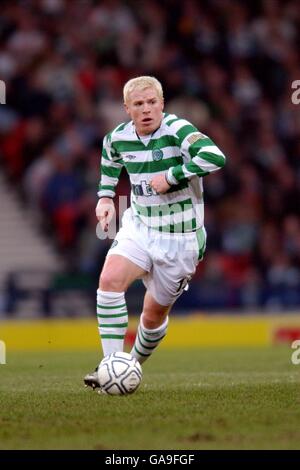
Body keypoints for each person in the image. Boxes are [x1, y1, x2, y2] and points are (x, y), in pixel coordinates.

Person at [84, 76, 226, 389]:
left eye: (152, 103)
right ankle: (109, 365)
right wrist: (106, 199)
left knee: (152, 316)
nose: (146, 109)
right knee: (109, 281)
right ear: (127, 109)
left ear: (162, 104)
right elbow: (110, 159)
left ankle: (130, 364)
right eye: (138, 104)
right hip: (140, 225)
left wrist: (174, 175)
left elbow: (215, 157)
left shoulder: (178, 130)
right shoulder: (118, 137)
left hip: (181, 239)